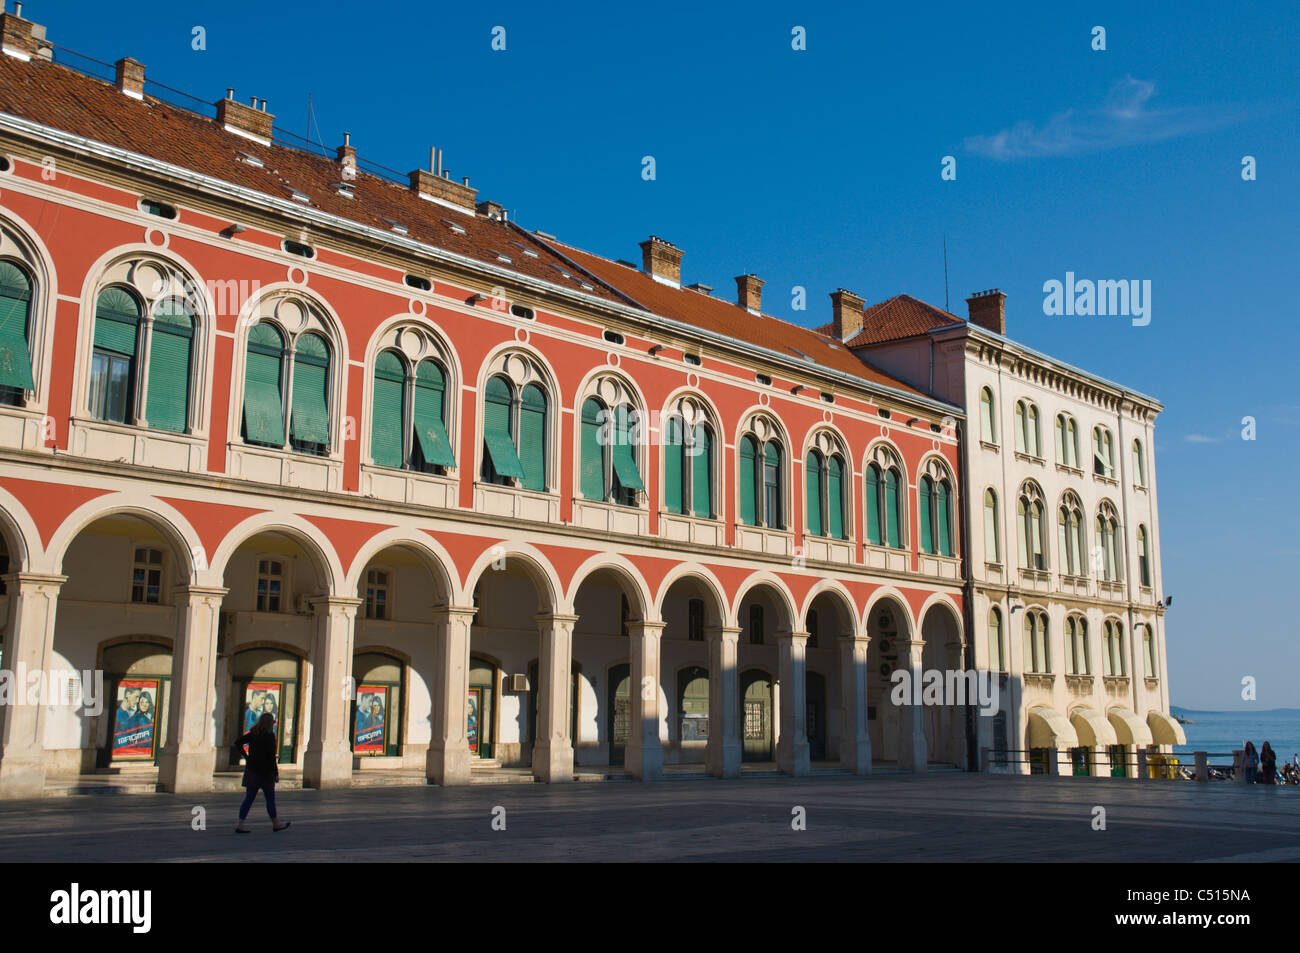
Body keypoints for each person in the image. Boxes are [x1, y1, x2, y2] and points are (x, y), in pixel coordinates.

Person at [234, 712, 290, 833]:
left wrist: (246, 756)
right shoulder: (270, 736)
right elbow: (271, 757)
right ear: (270, 723)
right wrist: (275, 773)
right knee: (270, 799)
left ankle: (240, 824)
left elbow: (238, 742)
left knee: (249, 798)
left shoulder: (253, 733)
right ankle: (275, 823)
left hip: (252, 770)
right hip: (266, 772)